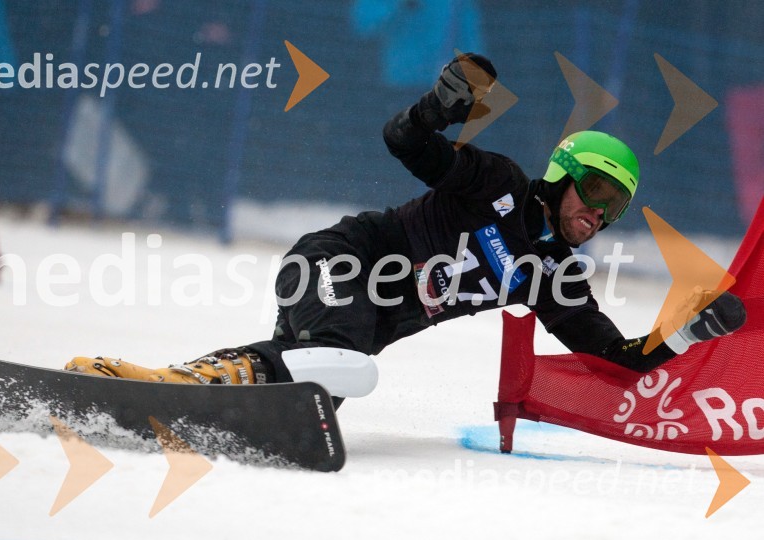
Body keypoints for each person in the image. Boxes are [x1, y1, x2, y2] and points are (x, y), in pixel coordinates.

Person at [66, 53, 746, 399]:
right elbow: (405, 142)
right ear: (562, 173)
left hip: (358, 332)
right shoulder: (500, 184)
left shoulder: (554, 278)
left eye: (614, 206)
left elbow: (618, 361)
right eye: (595, 191)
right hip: (335, 262)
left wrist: (689, 330)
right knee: (341, 359)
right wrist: (439, 107)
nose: (597, 213)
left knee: (319, 384)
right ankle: (181, 386)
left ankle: (148, 384)